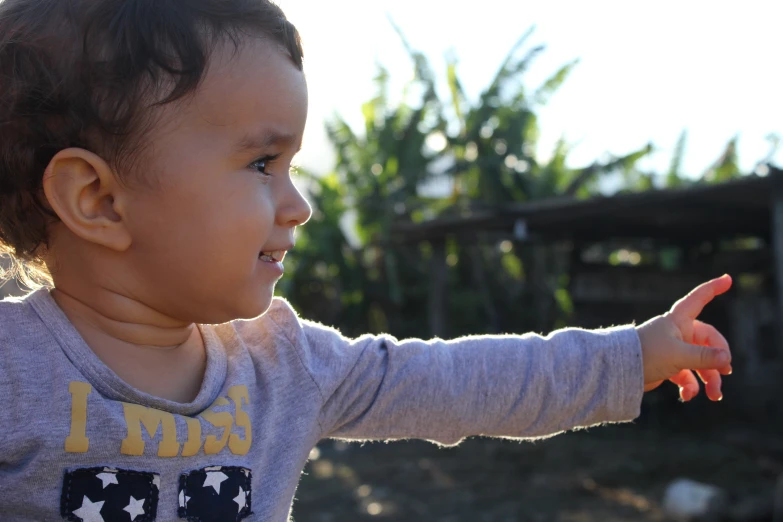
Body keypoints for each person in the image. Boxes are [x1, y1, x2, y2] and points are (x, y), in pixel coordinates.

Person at [0, 1, 733, 520]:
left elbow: (460, 384)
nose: (299, 205)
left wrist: (630, 355)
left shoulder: (284, 365)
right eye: (262, 163)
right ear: (97, 199)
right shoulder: (12, 367)